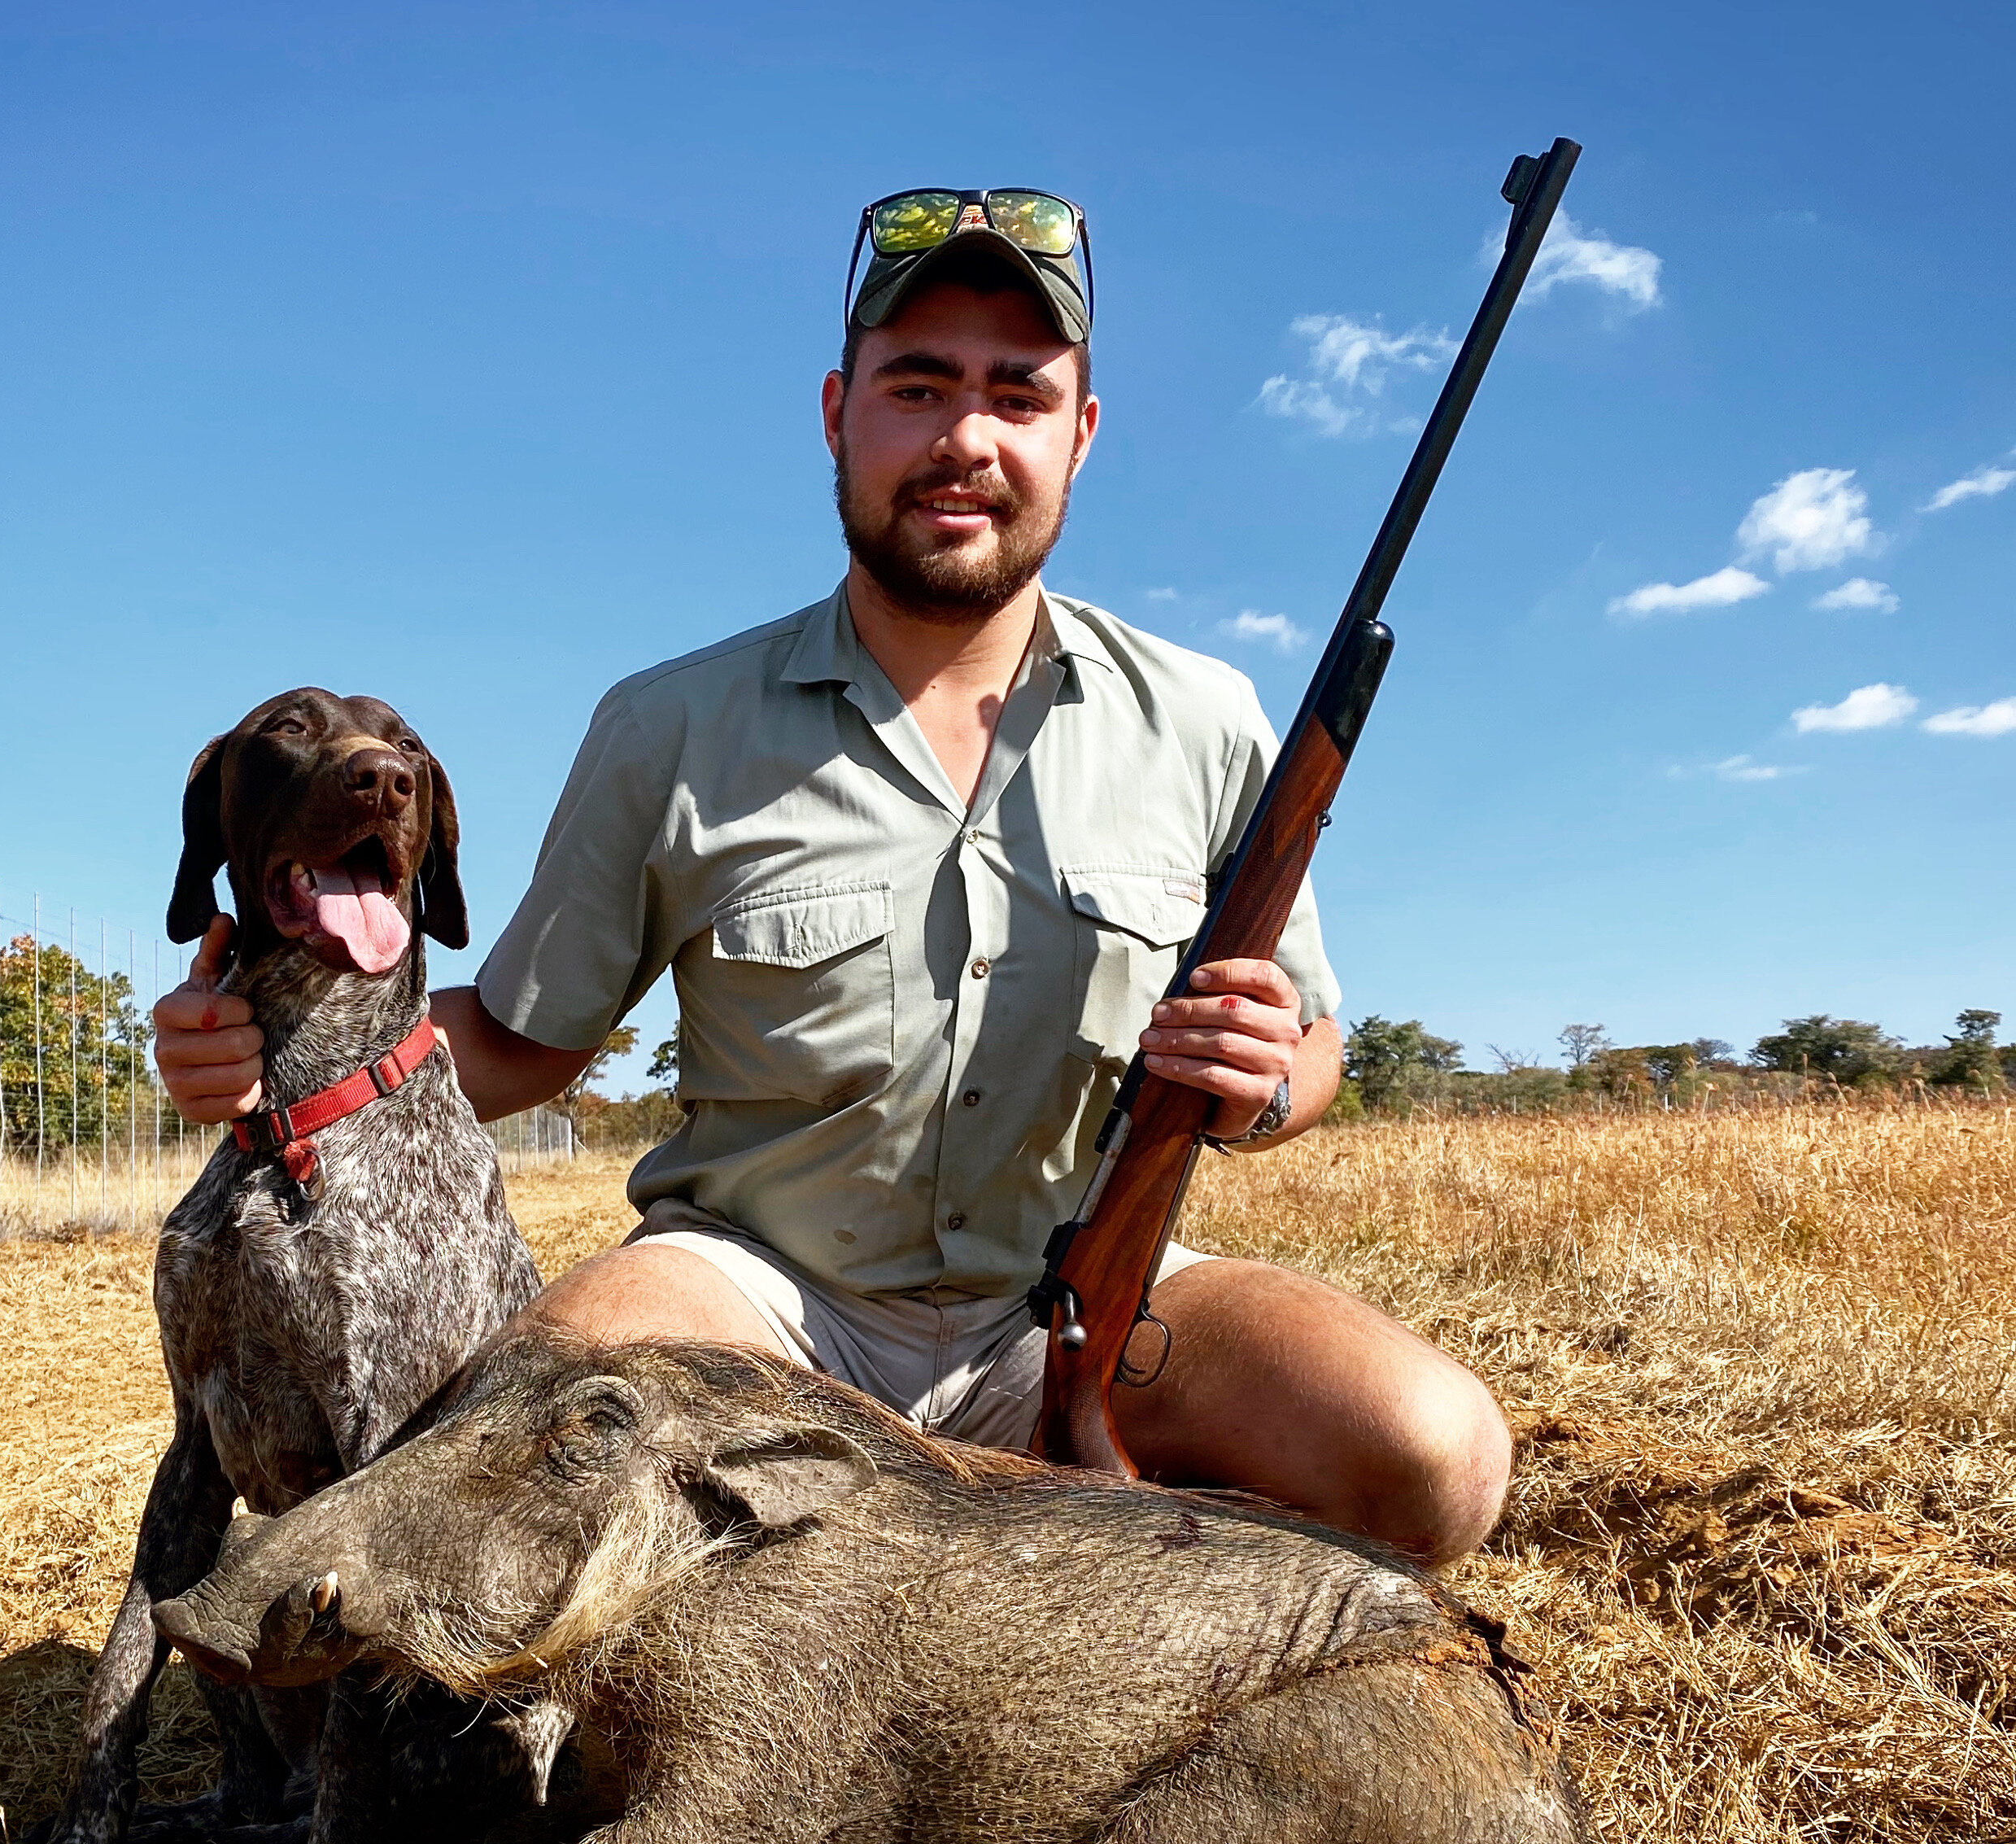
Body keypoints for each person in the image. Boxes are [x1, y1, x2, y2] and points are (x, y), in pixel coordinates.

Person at [155, 187, 1510, 1565]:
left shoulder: (1210, 718)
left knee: (1435, 1458)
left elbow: (1312, 1039)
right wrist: (265, 1050)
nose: (965, 440)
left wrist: (1270, 1079)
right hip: (754, 1304)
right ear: (835, 412)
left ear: (1081, 435)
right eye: (916, 387)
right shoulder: (666, 724)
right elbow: (512, 1043)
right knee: (534, 1428)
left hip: (1091, 1304)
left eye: (1017, 396)